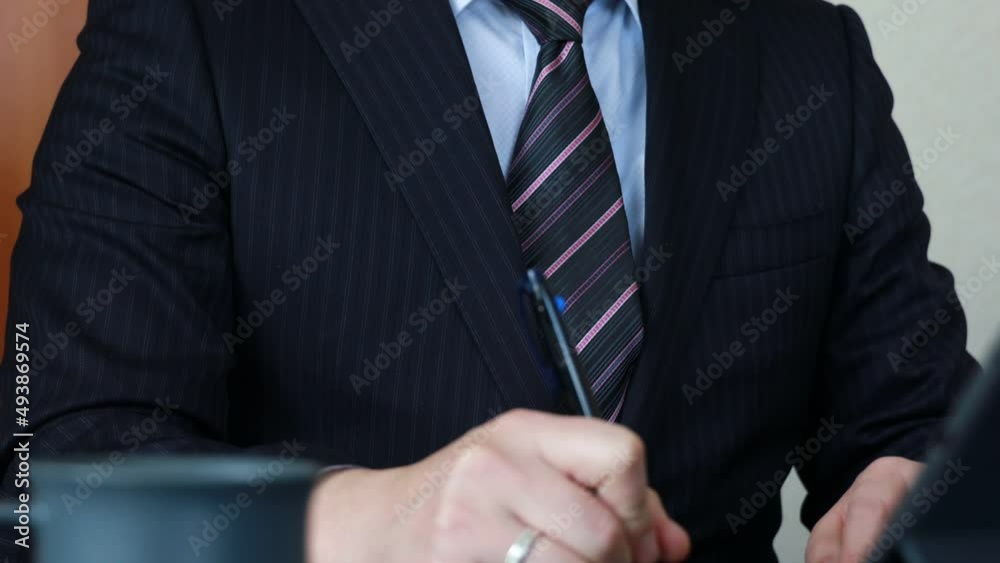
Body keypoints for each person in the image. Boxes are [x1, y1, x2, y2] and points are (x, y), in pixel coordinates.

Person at [0, 0, 978, 561]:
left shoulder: (805, 48)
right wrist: (366, 524)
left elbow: (920, 424)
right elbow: (48, 489)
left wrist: (921, 496)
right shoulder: (198, 25)